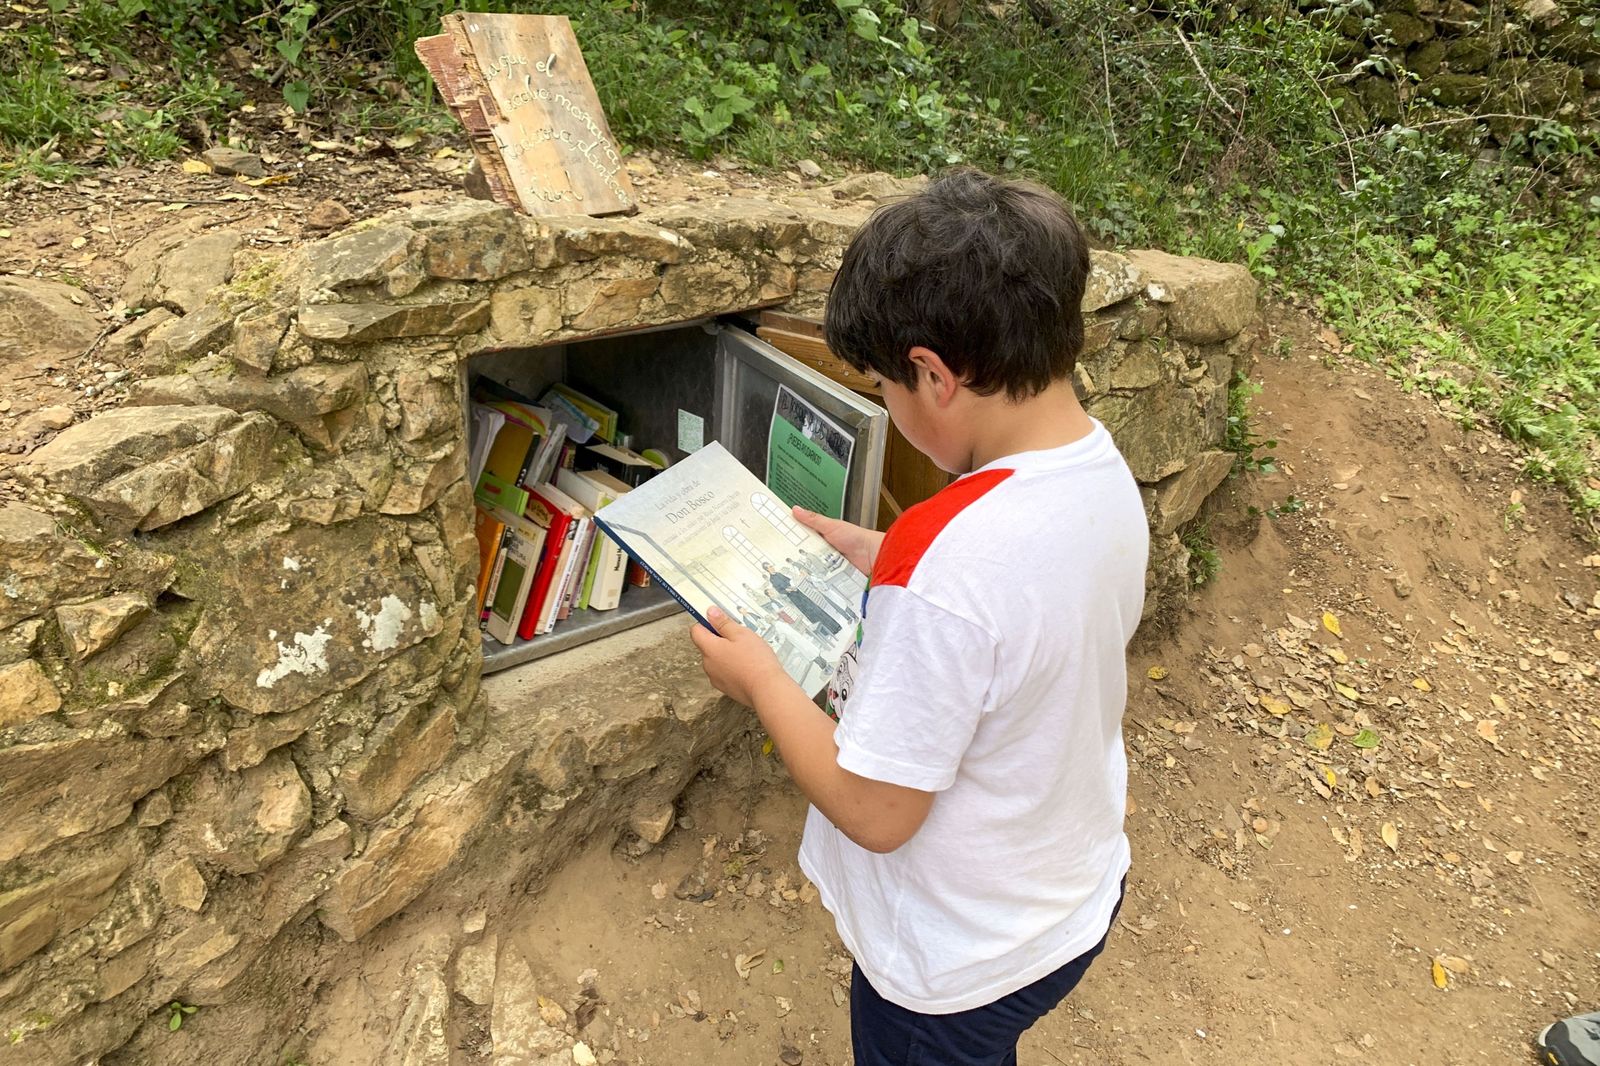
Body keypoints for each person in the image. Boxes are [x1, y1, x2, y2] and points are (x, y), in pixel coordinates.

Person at [689, 167, 1148, 1065]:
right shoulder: (1096, 466)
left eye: (882, 386)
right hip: (1066, 893)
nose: (886, 406)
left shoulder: (945, 566)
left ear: (932, 374)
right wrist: (882, 552)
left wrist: (760, 681)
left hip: (952, 959)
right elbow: (1016, 607)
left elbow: (876, 811)